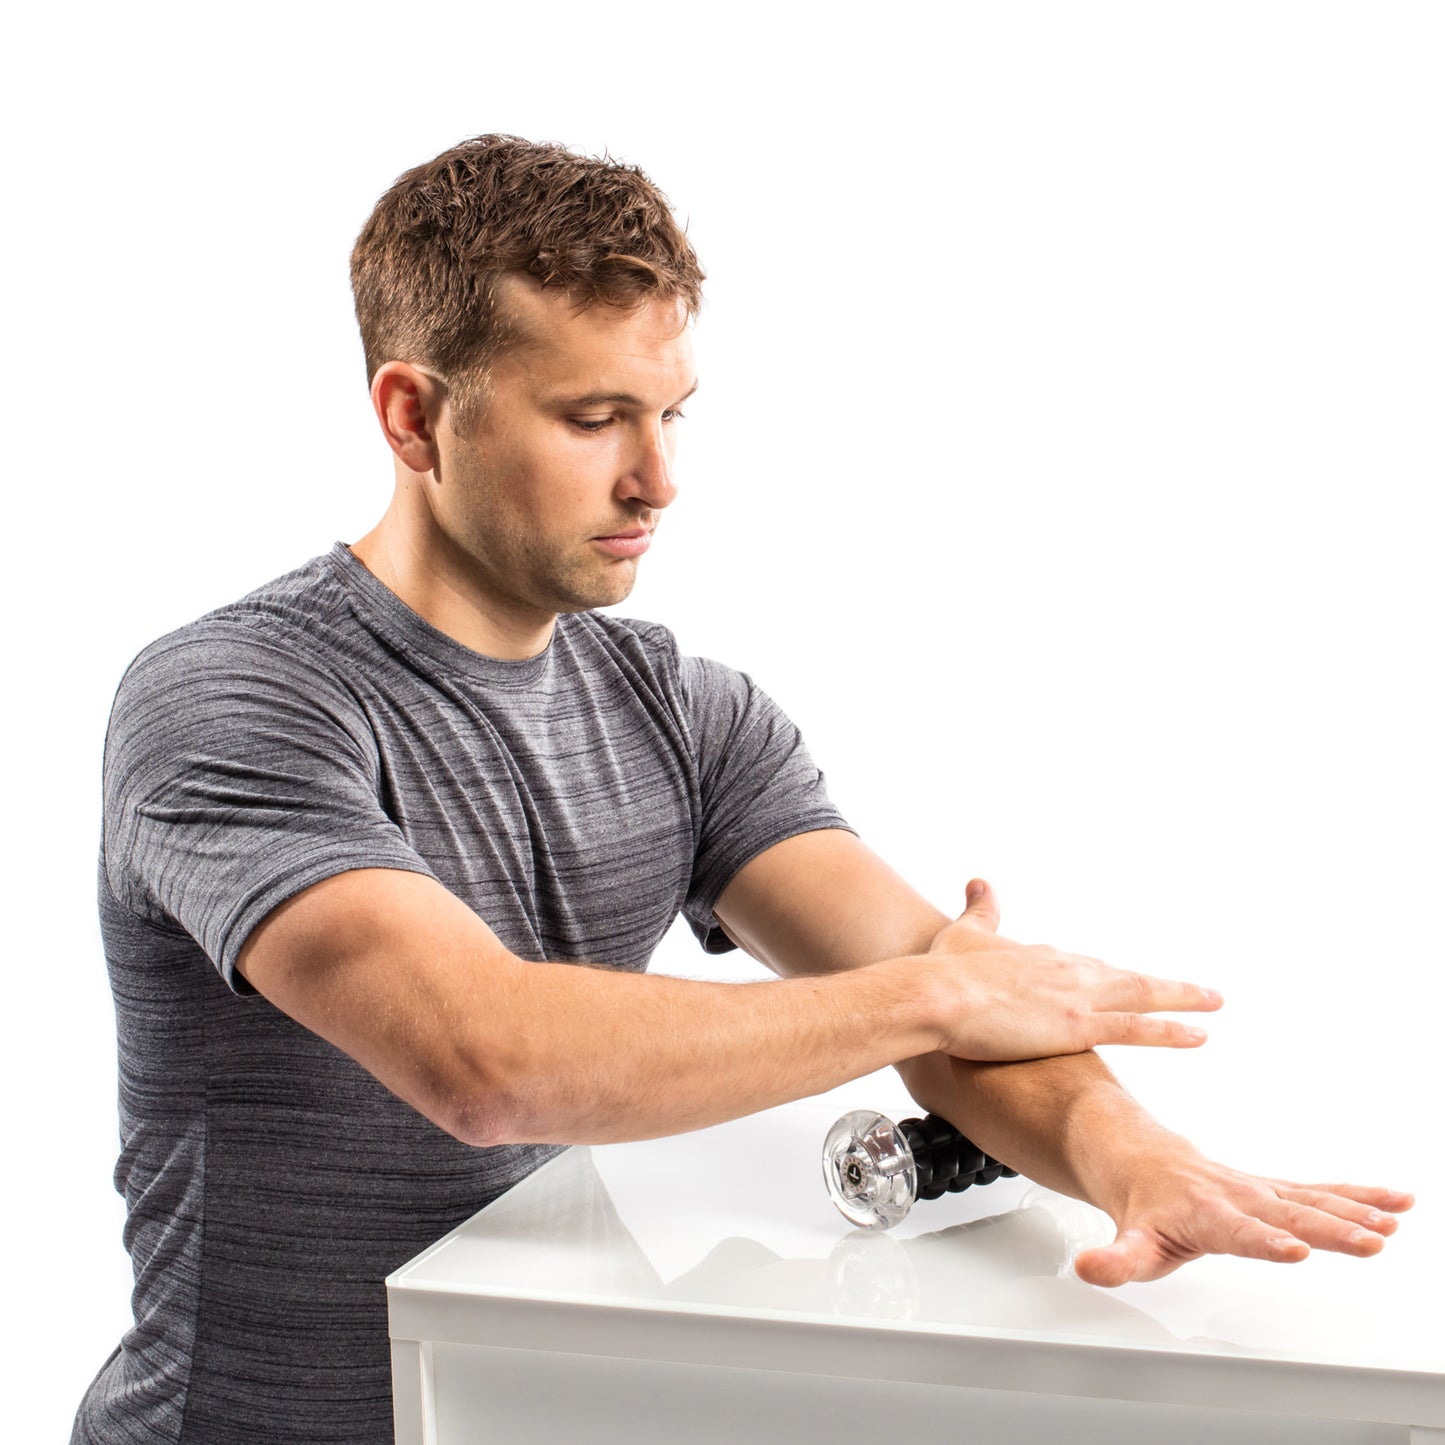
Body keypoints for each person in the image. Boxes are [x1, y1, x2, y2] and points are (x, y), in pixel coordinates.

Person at [73, 134, 1411, 1445]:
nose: (656, 480)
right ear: (414, 415)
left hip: (502, 1410)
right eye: (591, 419)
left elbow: (937, 983)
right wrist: (931, 997)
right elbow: (486, 1061)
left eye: (669, 416)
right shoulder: (232, 700)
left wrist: (1132, 1158)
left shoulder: (681, 709)